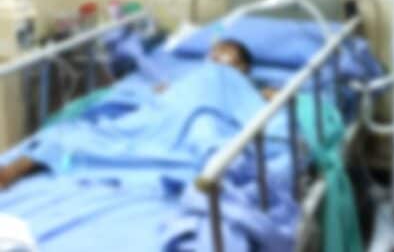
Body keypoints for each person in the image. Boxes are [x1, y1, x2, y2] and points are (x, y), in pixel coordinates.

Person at [0, 38, 276, 189]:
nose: (215, 55)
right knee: (78, 133)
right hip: (164, 114)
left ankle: (206, 176)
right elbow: (170, 94)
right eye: (213, 51)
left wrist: (266, 94)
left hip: (203, 115)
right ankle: (14, 169)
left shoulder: (245, 82)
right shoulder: (195, 73)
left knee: (206, 138)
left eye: (225, 52)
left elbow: (268, 103)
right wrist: (167, 91)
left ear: (243, 66)